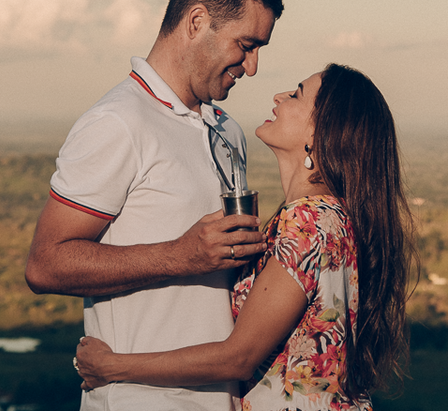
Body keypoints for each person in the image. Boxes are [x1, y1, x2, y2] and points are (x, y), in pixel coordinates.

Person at [25, 0, 285, 411]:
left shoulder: (228, 131)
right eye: (246, 45)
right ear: (197, 22)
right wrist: (179, 256)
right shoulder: (117, 122)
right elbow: (45, 265)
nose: (252, 66)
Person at [75, 64, 419, 411]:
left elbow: (237, 358)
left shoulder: (307, 221)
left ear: (319, 133)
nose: (279, 96)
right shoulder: (333, 216)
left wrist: (113, 366)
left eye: (296, 94)